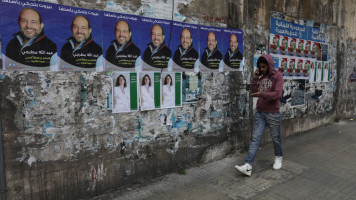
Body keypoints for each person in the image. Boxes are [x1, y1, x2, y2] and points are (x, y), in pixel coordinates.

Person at [235, 54, 284, 176]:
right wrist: (255, 78)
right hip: (260, 112)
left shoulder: (278, 76)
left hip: (273, 113)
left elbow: (277, 95)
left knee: (276, 138)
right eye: (260, 67)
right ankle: (248, 165)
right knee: (255, 138)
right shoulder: (261, 77)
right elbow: (255, 90)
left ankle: (278, 157)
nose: (261, 69)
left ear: (269, 65)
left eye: (263, 67)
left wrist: (262, 94)